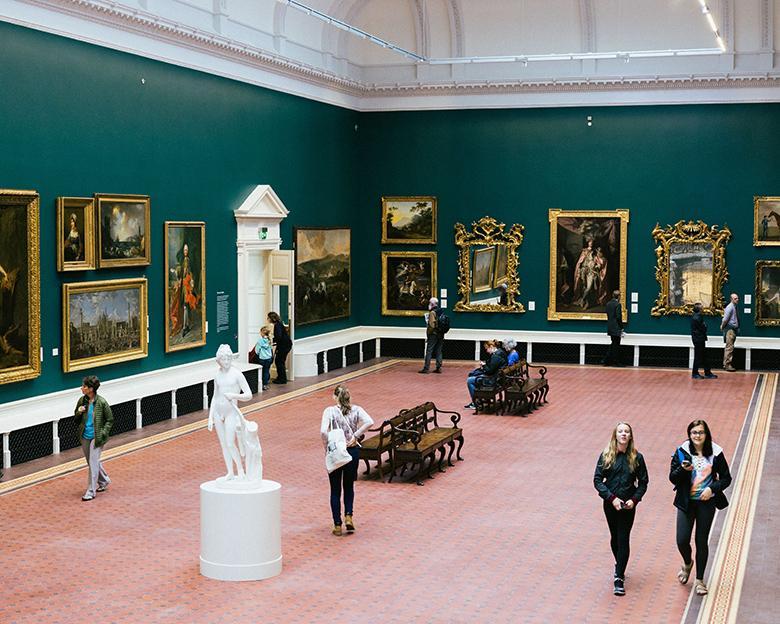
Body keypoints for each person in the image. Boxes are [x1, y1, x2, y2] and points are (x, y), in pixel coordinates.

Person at [669, 420, 732, 596]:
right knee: (682, 540)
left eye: (701, 432)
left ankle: (699, 580)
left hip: (706, 503)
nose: (697, 436)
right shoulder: (682, 451)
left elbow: (726, 478)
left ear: (707, 434)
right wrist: (683, 470)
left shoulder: (716, 453)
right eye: (694, 432)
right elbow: (672, 478)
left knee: (701, 541)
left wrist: (712, 489)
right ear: (689, 434)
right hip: (686, 502)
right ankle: (688, 563)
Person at [593, 422, 649, 596]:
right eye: (620, 431)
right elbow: (597, 480)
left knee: (623, 537)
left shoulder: (637, 458)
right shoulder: (606, 456)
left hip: (627, 505)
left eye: (626, 432)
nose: (623, 434)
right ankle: (620, 562)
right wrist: (611, 498)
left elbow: (643, 482)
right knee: (615, 537)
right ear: (615, 435)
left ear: (630, 436)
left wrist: (634, 499)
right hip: (611, 504)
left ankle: (619, 577)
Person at [320, 385, 374, 536]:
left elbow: (323, 431)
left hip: (336, 451)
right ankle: (349, 516)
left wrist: (327, 447)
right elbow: (369, 421)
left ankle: (337, 525)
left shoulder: (329, 411)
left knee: (335, 489)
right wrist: (355, 436)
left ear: (335, 397)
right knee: (349, 486)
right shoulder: (356, 410)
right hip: (352, 450)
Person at [208, 344, 254, 480]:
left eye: (228, 359)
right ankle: (230, 471)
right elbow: (215, 397)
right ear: (219, 361)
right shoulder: (217, 375)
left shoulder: (237, 375)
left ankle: (240, 469)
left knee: (230, 443)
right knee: (223, 444)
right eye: (224, 360)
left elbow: (249, 394)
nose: (226, 362)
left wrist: (234, 396)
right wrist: (210, 417)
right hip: (218, 412)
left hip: (230, 412)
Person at [74, 375, 114, 501]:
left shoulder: (101, 402)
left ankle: (90, 492)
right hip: (85, 435)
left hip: (97, 437)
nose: (82, 388)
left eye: (84, 386)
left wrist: (103, 433)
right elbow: (76, 419)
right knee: (92, 462)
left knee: (92, 462)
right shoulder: (82, 401)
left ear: (91, 389)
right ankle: (104, 480)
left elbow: (110, 419)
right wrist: (79, 411)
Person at [465, 340, 507, 409]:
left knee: (470, 380)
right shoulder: (501, 352)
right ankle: (480, 399)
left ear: (491, 347)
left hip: (493, 380)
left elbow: (489, 371)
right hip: (499, 378)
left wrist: (484, 365)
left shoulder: (496, 356)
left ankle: (475, 403)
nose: (486, 351)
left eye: (487, 349)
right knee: (475, 376)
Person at [691, 302, 717, 379]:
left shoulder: (696, 316)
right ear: (699, 309)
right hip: (699, 339)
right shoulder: (698, 317)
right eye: (701, 307)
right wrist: (705, 326)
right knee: (699, 356)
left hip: (698, 338)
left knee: (703, 356)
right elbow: (704, 327)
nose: (703, 308)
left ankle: (707, 372)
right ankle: (695, 373)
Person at [419, 297, 445, 374]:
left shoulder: (432, 313)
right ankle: (439, 367)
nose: (429, 304)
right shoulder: (441, 311)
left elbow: (431, 325)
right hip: (441, 334)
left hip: (433, 334)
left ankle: (426, 368)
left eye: (430, 303)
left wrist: (429, 334)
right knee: (439, 351)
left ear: (432, 304)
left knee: (429, 351)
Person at [267, 311, 292, 384]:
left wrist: (272, 341)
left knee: (279, 361)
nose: (267, 319)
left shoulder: (277, 326)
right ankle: (281, 377)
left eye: (268, 318)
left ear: (272, 319)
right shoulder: (279, 324)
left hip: (284, 345)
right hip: (286, 344)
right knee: (280, 361)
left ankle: (282, 379)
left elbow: (279, 337)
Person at [603, 290, 624, 366]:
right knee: (616, 345)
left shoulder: (608, 304)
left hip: (610, 326)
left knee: (613, 344)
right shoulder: (618, 304)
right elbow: (618, 317)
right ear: (618, 296)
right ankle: (615, 361)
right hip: (616, 327)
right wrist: (621, 327)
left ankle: (606, 360)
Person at [720, 293, 739, 372]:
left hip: (732, 329)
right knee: (729, 347)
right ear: (731, 299)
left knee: (730, 347)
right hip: (730, 330)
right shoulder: (730, 307)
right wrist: (722, 326)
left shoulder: (734, 307)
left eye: (737, 298)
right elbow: (725, 319)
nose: (737, 300)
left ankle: (726, 364)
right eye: (735, 298)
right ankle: (727, 364)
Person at [255, 326, 273, 390]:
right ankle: (265, 384)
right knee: (266, 371)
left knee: (261, 371)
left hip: (262, 358)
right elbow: (271, 349)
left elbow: (257, 350)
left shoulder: (260, 341)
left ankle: (260, 384)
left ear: (262, 333)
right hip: (268, 358)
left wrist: (258, 354)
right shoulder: (270, 340)